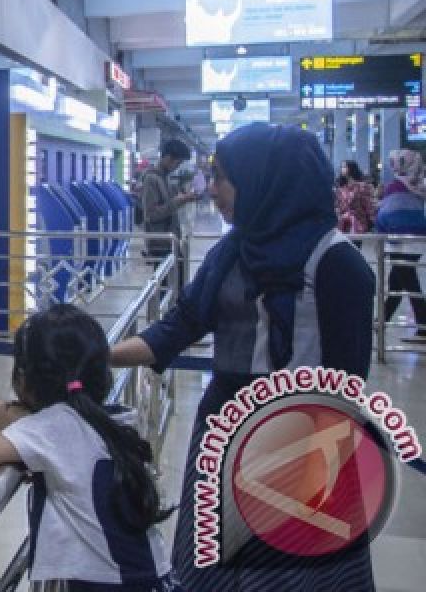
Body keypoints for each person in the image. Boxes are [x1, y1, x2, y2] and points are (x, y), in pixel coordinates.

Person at [111, 124, 375, 591]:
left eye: (222, 179)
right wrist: (99, 356)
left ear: (263, 182)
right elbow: (180, 326)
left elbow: (347, 385)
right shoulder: (232, 253)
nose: (211, 191)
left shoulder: (337, 264)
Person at [0, 305, 176, 591]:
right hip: (154, 578)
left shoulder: (50, 428)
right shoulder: (116, 418)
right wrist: (12, 417)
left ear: (25, 379)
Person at [376, 149, 426, 341]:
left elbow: (387, 214)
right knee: (397, 282)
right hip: (415, 242)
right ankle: (383, 319)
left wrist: (380, 231)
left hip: (399, 242)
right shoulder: (418, 185)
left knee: (407, 282)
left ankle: (423, 325)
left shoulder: (396, 186)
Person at [140, 140, 197, 281]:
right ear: (168, 158)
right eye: (177, 163)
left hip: (171, 241)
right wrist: (179, 201)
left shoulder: (165, 177)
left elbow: (168, 205)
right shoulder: (151, 179)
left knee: (178, 282)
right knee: (166, 288)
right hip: (161, 244)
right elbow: (151, 215)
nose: (177, 167)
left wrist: (183, 198)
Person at [335, 160, 376, 235]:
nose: (342, 169)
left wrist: (372, 221)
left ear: (351, 168)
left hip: (359, 224)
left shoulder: (362, 186)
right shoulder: (341, 189)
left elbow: (368, 205)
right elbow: (339, 206)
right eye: (342, 167)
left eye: (344, 167)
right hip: (344, 225)